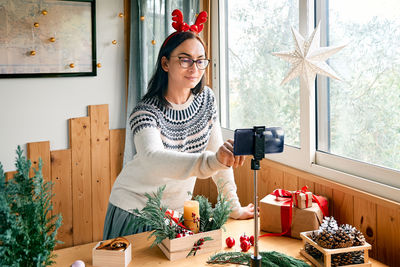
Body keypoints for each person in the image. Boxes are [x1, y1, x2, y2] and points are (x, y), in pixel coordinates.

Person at [103, 9, 254, 240]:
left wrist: (233, 207)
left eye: (200, 61)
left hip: (173, 215)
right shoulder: (145, 112)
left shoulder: (206, 99)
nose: (194, 68)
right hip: (134, 211)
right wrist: (213, 161)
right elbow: (154, 159)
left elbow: (217, 153)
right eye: (185, 59)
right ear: (165, 63)